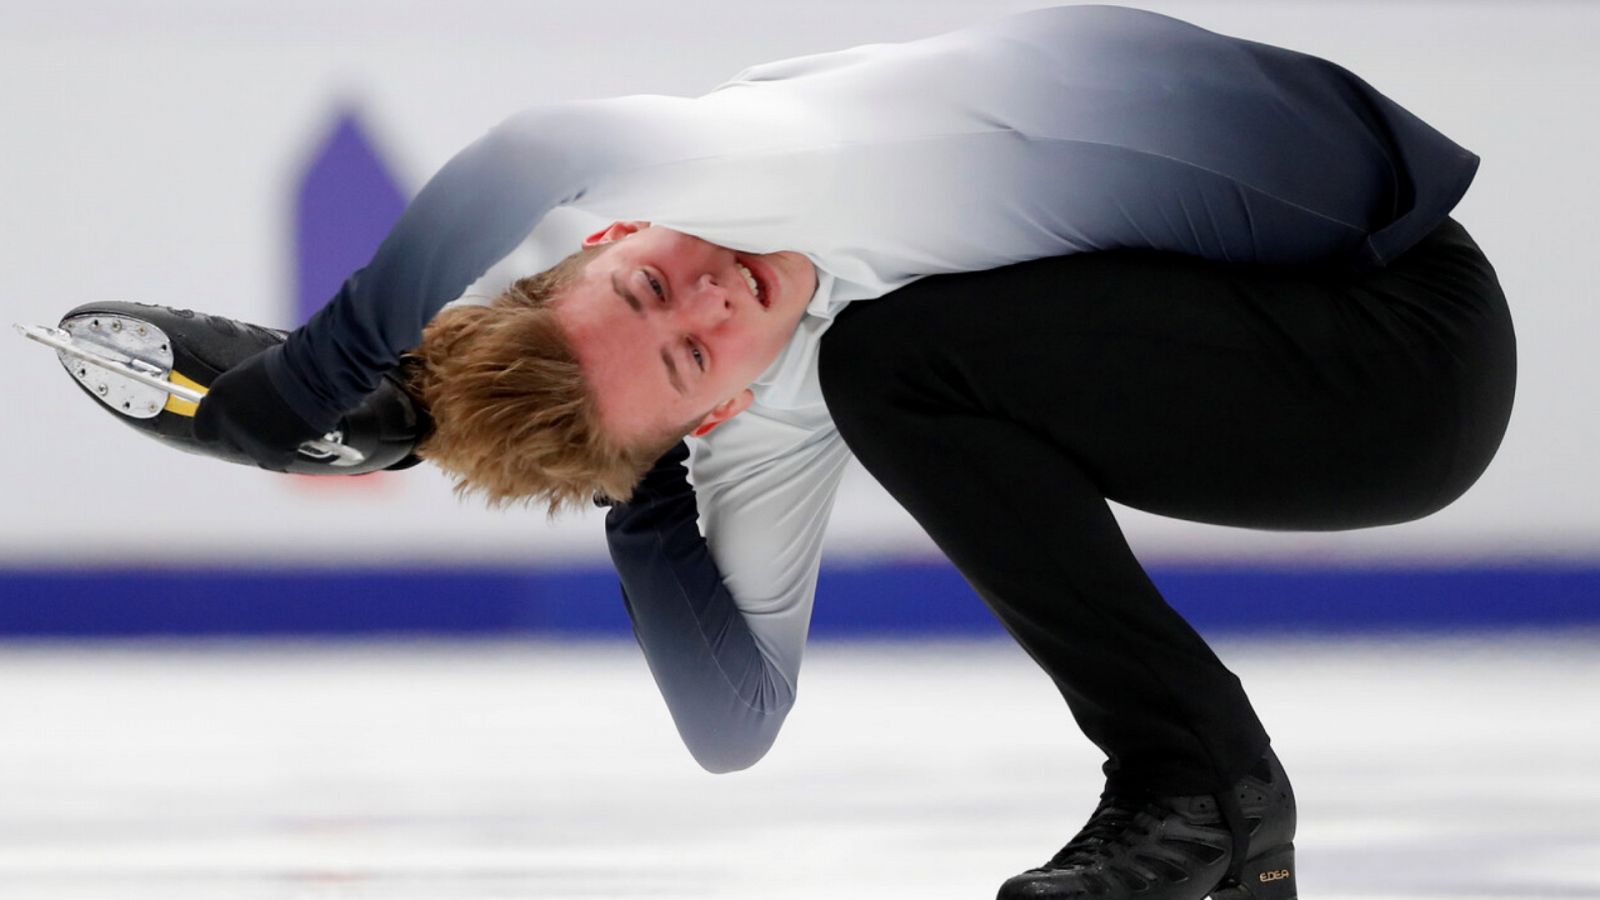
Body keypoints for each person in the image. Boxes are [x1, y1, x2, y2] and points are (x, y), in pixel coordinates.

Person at [193, 6, 1515, 898]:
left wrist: (319, 372)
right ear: (703, 424)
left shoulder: (746, 161)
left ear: (610, 235)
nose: (716, 299)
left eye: (656, 287)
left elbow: (531, 150)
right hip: (1334, 398)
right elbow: (734, 724)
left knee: (894, 358)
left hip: (1397, 321)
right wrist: (643, 500)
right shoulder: (774, 411)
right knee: (886, 363)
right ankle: (1211, 807)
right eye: (689, 362)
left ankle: (1199, 785)